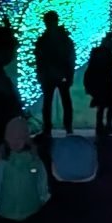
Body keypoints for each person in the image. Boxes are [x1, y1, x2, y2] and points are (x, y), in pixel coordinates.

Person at [0, 117, 51, 223]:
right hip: (27, 211)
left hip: (10, 212)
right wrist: (43, 201)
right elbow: (42, 185)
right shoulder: (34, 161)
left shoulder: (3, 164)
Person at [34, 10, 76, 138]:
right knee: (62, 101)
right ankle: (65, 128)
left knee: (51, 102)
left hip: (52, 74)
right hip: (57, 74)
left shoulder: (45, 39)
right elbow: (70, 57)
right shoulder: (62, 38)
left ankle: (51, 128)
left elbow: (39, 58)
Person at [82, 34, 112, 136]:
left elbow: (90, 71)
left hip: (97, 85)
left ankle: (100, 126)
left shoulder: (97, 55)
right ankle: (106, 126)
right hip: (105, 85)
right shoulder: (106, 55)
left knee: (102, 106)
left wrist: (88, 86)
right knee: (109, 105)